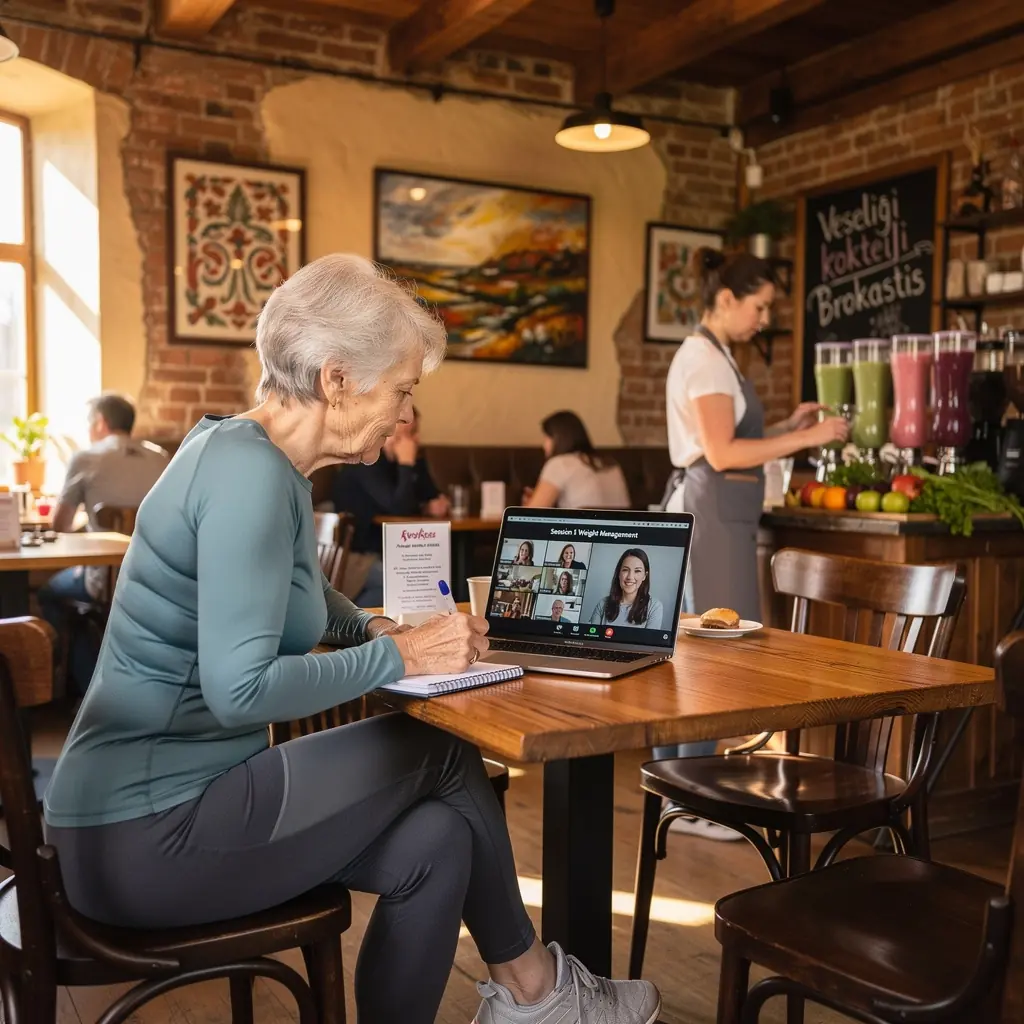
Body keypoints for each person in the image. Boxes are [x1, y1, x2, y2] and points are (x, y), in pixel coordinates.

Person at [42, 255, 659, 1024]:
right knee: (441, 749)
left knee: (437, 840)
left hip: (151, 816)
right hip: (146, 835)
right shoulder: (250, 478)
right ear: (337, 379)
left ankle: (527, 1000)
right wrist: (402, 656)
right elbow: (240, 690)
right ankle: (538, 993)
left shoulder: (251, 456)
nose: (404, 416)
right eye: (402, 389)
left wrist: (370, 623)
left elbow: (302, 590)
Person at [656, 247, 849, 842]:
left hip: (722, 514)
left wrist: (786, 427)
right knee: (712, 653)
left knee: (713, 651)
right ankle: (688, 799)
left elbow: (733, 439)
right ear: (726, 299)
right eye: (759, 306)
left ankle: (688, 793)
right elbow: (720, 454)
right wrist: (810, 437)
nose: (764, 318)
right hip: (708, 512)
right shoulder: (707, 362)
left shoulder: (716, 356)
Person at [39, 392, 168, 694]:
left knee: (50, 594)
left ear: (101, 423)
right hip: (159, 578)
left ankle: (87, 690)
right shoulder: (161, 457)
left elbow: (59, 526)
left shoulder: (86, 457)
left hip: (106, 580)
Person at [332, 405, 449, 607]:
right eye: (411, 432)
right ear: (390, 431)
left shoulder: (413, 458)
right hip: (356, 556)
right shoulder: (366, 461)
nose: (416, 439)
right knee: (407, 584)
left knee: (430, 576)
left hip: (395, 551)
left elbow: (432, 496)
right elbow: (399, 508)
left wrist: (431, 504)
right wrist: (406, 464)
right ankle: (346, 619)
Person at [524, 411, 630, 509]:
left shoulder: (560, 463)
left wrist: (527, 502)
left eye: (546, 438)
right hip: (621, 528)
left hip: (582, 528)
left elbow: (532, 515)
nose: (544, 445)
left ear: (558, 438)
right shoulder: (609, 463)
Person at [587, 549, 662, 630]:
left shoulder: (654, 607)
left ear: (644, 576)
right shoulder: (603, 604)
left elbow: (649, 641)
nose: (630, 577)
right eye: (625, 570)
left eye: (637, 571)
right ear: (619, 573)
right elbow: (591, 637)